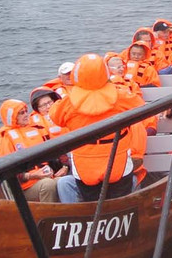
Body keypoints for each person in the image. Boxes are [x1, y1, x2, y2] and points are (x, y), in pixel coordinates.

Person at [50, 53, 147, 202]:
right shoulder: (120, 96)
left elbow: (56, 118)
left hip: (84, 162)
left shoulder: (68, 103)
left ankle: (96, 223)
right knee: (120, 201)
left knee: (92, 202)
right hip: (117, 158)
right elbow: (140, 110)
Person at [0, 99, 61, 202]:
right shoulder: (5, 138)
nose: (26, 115)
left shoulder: (37, 129)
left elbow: (52, 155)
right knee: (48, 185)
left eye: (26, 111)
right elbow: (8, 170)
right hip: (24, 187)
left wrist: (63, 167)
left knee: (64, 182)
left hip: (46, 175)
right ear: (12, 117)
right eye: (21, 113)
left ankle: (72, 215)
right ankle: (48, 217)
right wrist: (32, 175)